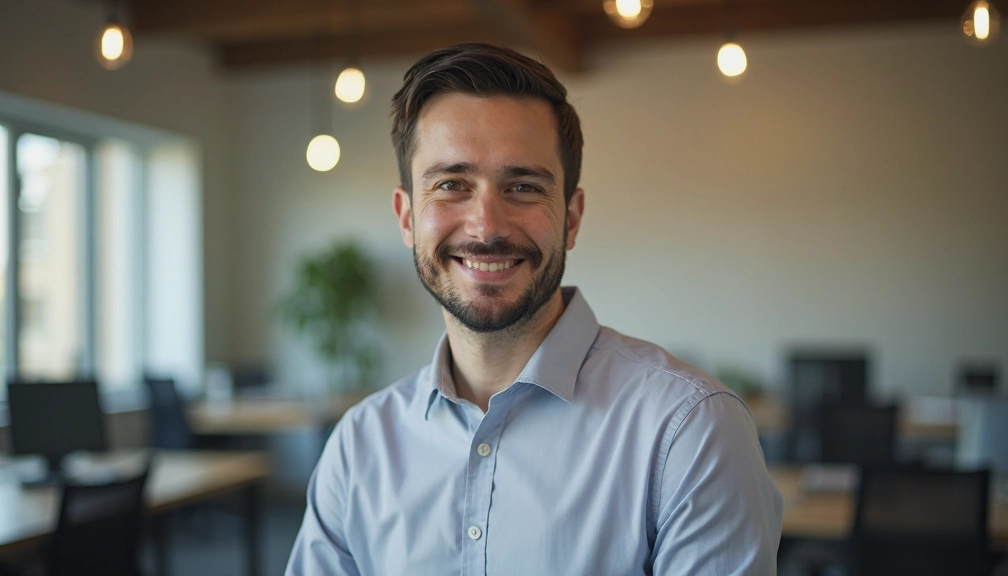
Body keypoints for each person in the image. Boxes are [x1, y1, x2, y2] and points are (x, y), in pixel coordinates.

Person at [286, 43, 782, 576]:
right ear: (407, 217)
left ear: (571, 218)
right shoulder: (359, 446)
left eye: (523, 187)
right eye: (451, 185)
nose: (486, 226)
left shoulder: (690, 432)